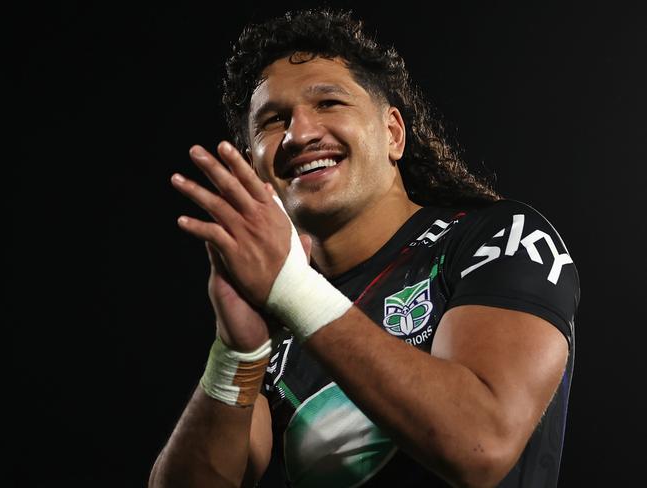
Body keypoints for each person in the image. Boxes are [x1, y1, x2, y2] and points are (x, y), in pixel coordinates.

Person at [149, 8, 579, 488]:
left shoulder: (497, 237)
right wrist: (237, 353)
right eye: (273, 120)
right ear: (254, 167)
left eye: (329, 103)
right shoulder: (274, 320)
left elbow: (481, 444)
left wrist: (294, 290)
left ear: (393, 132)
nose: (300, 134)